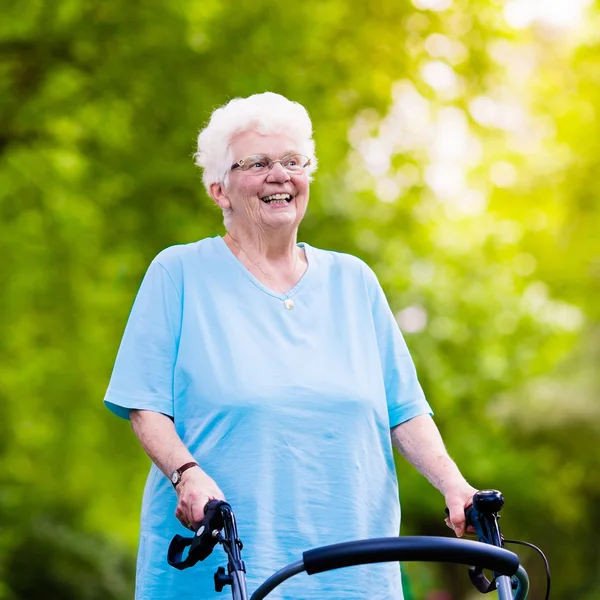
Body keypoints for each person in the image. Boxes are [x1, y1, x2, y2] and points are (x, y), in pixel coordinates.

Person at [104, 92, 477, 600]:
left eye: (292, 161)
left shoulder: (355, 281)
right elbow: (145, 404)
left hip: (353, 572)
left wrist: (455, 486)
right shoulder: (179, 273)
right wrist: (186, 475)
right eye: (257, 163)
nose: (279, 175)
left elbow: (405, 411)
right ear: (219, 190)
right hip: (223, 565)